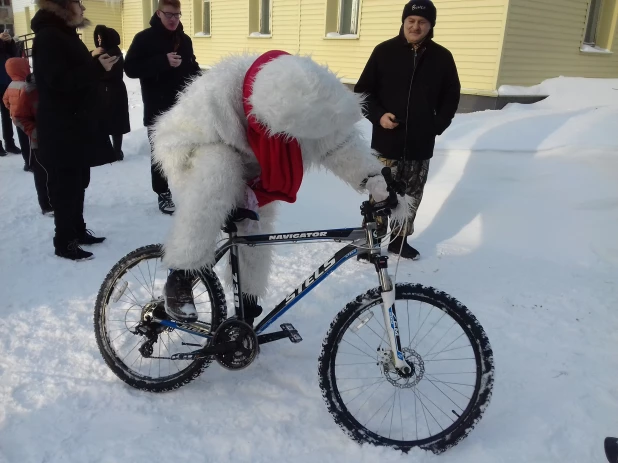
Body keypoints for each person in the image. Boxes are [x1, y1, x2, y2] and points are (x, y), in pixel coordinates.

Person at [151, 50, 411, 324]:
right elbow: (177, 139)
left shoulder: (309, 94)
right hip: (199, 151)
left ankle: (247, 306)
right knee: (219, 171)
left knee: (256, 229)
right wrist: (215, 195)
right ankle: (181, 274)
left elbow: (338, 145)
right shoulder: (219, 91)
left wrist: (375, 179)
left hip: (256, 167)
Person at [354, 0, 460, 260]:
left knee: (411, 195)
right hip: (386, 143)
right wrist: (379, 117)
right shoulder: (384, 52)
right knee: (379, 193)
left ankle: (399, 241)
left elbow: (451, 96)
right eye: (411, 21)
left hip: (419, 145)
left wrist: (437, 124)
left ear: (430, 25)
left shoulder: (442, 57)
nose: (416, 26)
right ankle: (372, 242)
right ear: (403, 22)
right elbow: (362, 93)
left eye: (422, 22)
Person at [31, 0, 119, 261]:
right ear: (64, 6)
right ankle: (64, 241)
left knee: (78, 182)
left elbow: (73, 73)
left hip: (75, 125)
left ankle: (77, 231)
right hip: (61, 128)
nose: (83, 8)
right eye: (78, 3)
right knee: (65, 186)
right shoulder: (48, 37)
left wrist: (95, 64)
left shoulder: (63, 34)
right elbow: (58, 80)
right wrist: (95, 67)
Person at [124, 0, 201, 215]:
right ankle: (162, 192)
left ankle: (191, 190)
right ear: (158, 14)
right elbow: (130, 68)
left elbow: (192, 66)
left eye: (177, 15)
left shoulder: (184, 40)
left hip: (184, 108)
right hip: (157, 108)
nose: (173, 19)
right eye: (169, 14)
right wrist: (162, 61)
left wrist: (202, 83)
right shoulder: (144, 39)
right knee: (160, 153)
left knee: (189, 150)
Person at [3, 57, 53, 215]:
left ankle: (28, 161)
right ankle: (47, 203)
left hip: (24, 125)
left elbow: (5, 101)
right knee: (42, 169)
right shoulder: (28, 86)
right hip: (32, 127)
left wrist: (10, 109)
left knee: (27, 145)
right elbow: (22, 114)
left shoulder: (11, 85)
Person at [92, 24, 130, 161]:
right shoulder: (107, 51)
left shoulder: (112, 52)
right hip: (108, 91)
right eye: (97, 37)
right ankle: (113, 151)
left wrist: (93, 58)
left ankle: (116, 151)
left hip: (112, 92)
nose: (99, 40)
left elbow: (106, 73)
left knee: (114, 122)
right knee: (110, 121)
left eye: (101, 37)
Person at [0, 28, 22, 157]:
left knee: (7, 113)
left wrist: (9, 42)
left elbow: (14, 56)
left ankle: (9, 143)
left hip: (5, 80)